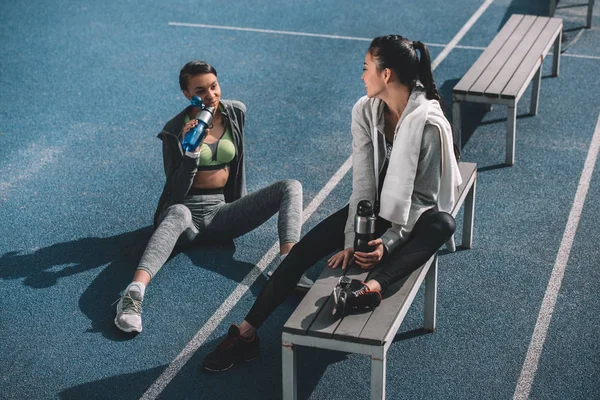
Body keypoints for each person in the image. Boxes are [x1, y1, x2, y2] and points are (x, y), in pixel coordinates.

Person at [201, 35, 463, 372]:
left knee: (443, 223)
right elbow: (365, 181)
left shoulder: (428, 124)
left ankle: (369, 289)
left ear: (386, 75)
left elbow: (424, 198)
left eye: (366, 68)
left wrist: (387, 243)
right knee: (302, 252)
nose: (362, 76)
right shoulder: (366, 110)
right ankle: (247, 334)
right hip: (381, 203)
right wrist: (352, 238)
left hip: (416, 212)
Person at [114, 60, 313, 334]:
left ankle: (288, 266)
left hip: (222, 212)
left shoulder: (234, 112)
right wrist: (191, 152)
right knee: (177, 212)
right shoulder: (173, 131)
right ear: (187, 94)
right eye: (201, 90)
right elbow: (177, 192)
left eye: (214, 86)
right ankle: (132, 294)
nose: (211, 96)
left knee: (290, 186)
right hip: (186, 215)